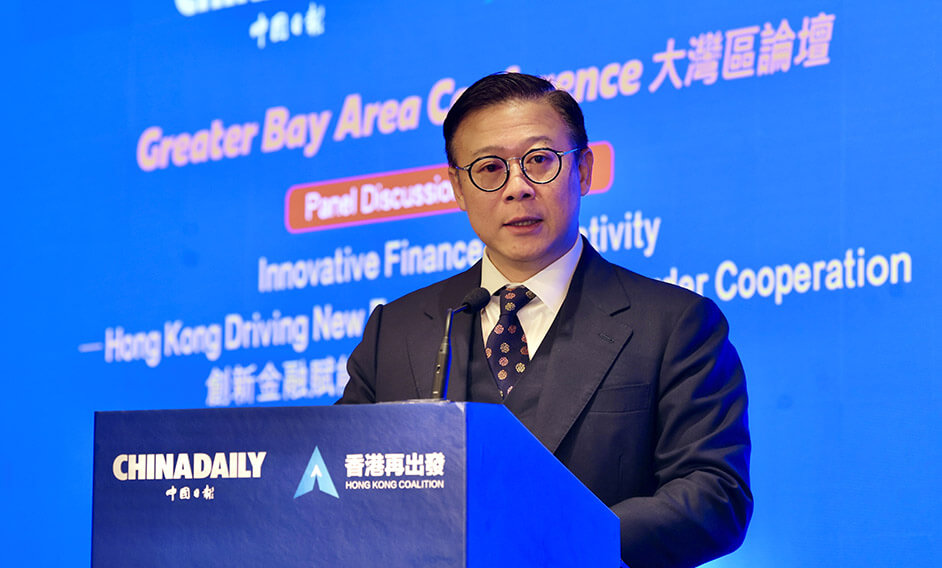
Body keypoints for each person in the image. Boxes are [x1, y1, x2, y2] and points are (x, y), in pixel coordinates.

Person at [338, 72, 752, 568]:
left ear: (584, 171)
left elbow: (715, 496)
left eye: (539, 161)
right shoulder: (397, 330)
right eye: (489, 168)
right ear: (458, 189)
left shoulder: (674, 324)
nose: (517, 188)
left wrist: (558, 537)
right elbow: (339, 480)